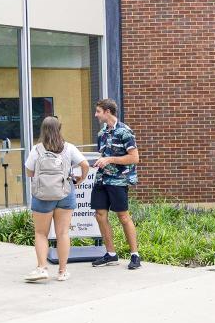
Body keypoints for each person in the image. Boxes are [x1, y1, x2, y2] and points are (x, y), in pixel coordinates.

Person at [24, 116, 89, 282]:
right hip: (65, 193)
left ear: (43, 130)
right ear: (58, 129)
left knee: (40, 233)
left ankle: (42, 268)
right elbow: (85, 165)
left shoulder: (36, 149)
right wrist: (81, 179)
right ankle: (62, 271)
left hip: (42, 195)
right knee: (63, 233)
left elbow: (29, 172)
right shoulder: (69, 148)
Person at [90, 99, 142, 269]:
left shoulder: (125, 132)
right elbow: (104, 155)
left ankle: (135, 255)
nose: (96, 115)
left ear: (107, 112)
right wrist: (99, 162)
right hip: (102, 179)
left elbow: (134, 158)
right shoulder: (101, 133)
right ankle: (111, 254)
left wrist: (110, 159)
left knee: (123, 216)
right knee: (100, 215)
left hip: (119, 181)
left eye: (98, 111)